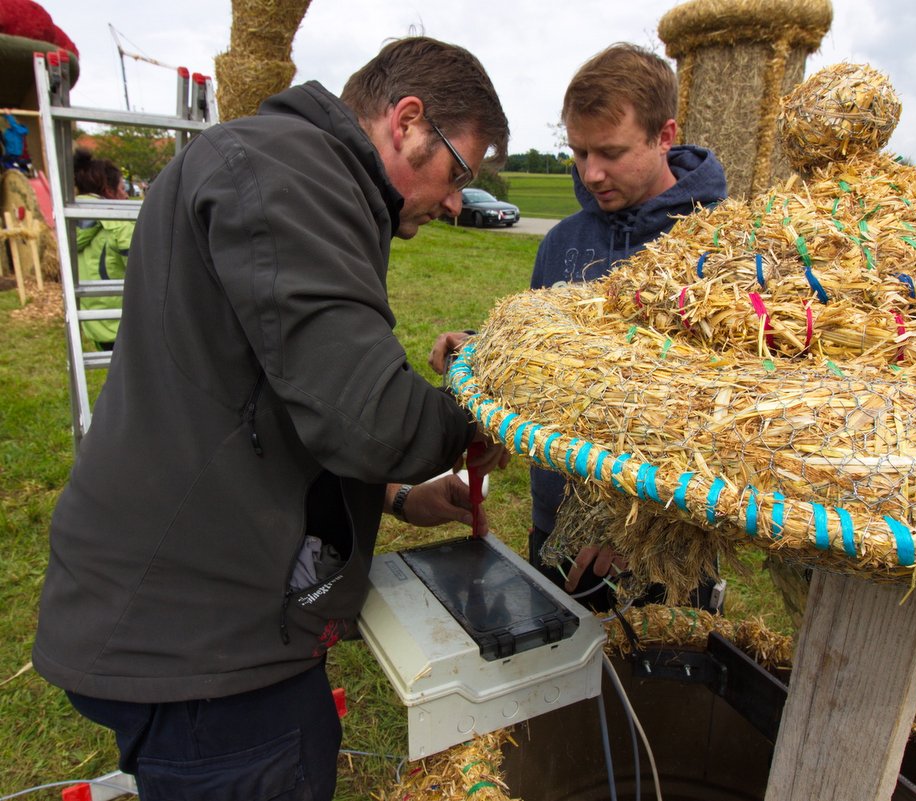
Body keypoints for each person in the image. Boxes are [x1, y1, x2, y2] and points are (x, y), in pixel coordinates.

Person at [33, 37, 509, 801]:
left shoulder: (275, 162)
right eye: (458, 170)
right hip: (200, 645)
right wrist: (483, 420)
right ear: (408, 122)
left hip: (179, 603)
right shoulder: (294, 176)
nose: (456, 200)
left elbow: (272, 395)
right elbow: (372, 416)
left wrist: (396, 498)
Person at [432, 43, 727, 609]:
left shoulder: (718, 250)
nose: (591, 173)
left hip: (659, 547)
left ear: (665, 136)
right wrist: (484, 350)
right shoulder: (563, 242)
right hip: (556, 521)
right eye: (579, 151)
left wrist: (637, 533)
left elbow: (724, 418)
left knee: (646, 695)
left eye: (611, 152)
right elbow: (547, 360)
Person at [73, 148, 134, 350]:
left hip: (96, 322)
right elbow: (149, 271)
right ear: (108, 190)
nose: (126, 195)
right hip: (126, 323)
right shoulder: (118, 222)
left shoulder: (71, 222)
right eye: (123, 188)